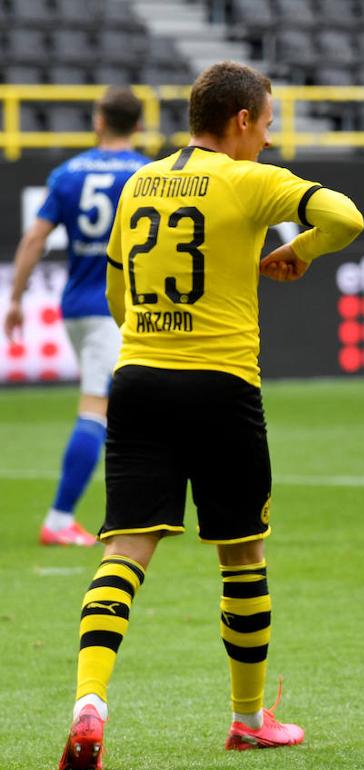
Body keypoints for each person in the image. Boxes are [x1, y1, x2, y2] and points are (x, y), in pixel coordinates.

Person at [57, 61, 364, 770]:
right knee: (242, 555)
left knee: (123, 552)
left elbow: (116, 294)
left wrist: (154, 333)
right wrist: (300, 249)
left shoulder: (140, 181)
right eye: (268, 121)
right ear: (244, 121)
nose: (269, 133)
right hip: (221, 384)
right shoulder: (249, 180)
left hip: (137, 377)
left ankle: (89, 703)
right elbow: (346, 216)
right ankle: (249, 719)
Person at [5, 87, 148, 547]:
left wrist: (16, 298)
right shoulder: (147, 175)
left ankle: (139, 507)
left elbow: (33, 241)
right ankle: (60, 518)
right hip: (118, 308)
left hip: (76, 305)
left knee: (126, 406)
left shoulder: (68, 173)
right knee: (97, 408)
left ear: (98, 121)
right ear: (140, 126)